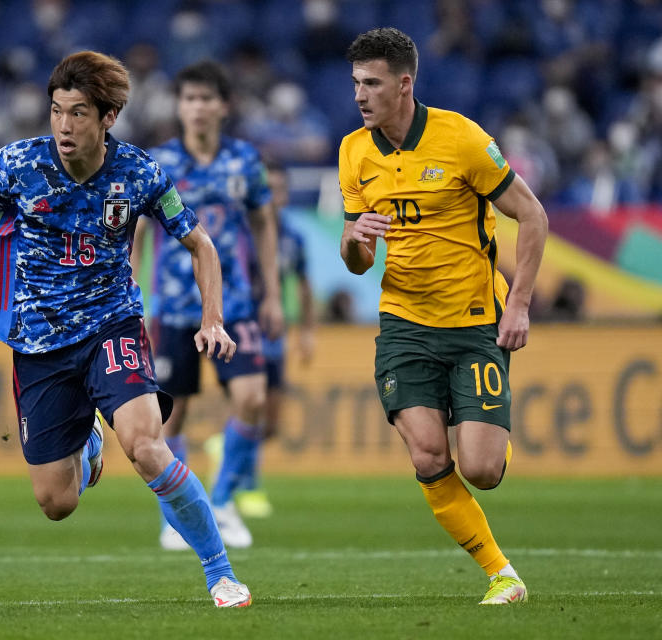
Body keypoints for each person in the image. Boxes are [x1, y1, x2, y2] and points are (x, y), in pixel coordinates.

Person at [0, 51, 252, 608]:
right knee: (56, 502)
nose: (64, 125)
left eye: (79, 113)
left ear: (108, 117)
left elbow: (199, 243)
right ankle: (87, 446)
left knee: (145, 446)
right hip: (39, 344)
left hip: (112, 324)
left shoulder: (139, 173)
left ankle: (220, 573)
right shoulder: (16, 164)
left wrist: (213, 319)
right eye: (57, 111)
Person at [338, 28, 547, 605]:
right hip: (404, 322)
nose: (360, 94)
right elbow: (356, 262)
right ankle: (502, 574)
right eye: (356, 82)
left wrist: (522, 304)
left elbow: (533, 217)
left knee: (480, 469)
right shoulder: (354, 151)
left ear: (404, 84)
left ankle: (494, 428)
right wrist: (355, 238)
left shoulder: (463, 140)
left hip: (476, 318)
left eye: (372, 83)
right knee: (429, 455)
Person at [134, 61, 283, 551]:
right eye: (188, 99)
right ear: (179, 107)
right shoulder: (157, 163)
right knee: (170, 418)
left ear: (224, 105)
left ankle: (219, 502)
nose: (196, 108)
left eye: (205, 98)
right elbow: (134, 230)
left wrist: (273, 295)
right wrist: (129, 293)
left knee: (253, 399)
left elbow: (263, 224)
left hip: (234, 304)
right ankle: (176, 517)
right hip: (173, 307)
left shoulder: (245, 161)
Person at [230, 163, 316, 518]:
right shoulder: (239, 234)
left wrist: (308, 331)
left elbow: (303, 284)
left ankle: (233, 457)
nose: (274, 197)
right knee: (250, 406)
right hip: (241, 330)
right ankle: (244, 485)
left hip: (274, 336)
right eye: (269, 189)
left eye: (280, 190)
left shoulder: (293, 238)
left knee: (272, 424)